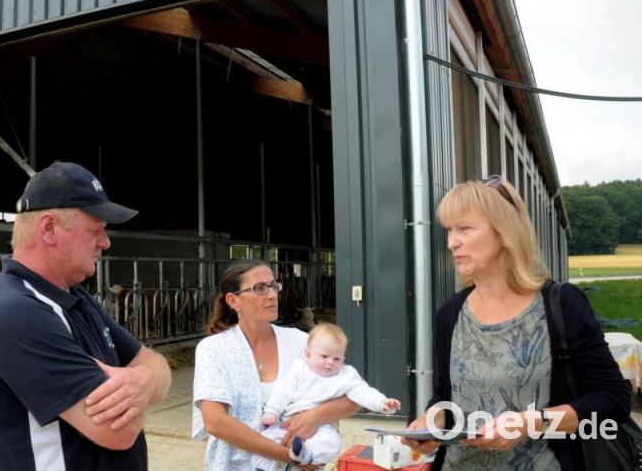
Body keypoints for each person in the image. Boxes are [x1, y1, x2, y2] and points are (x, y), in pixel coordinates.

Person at [402, 176, 630, 471]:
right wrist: (432, 420)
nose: (451, 242)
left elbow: (613, 399)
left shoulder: (561, 305)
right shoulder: (450, 313)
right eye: (449, 230)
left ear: (504, 231)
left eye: (465, 229)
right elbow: (444, 394)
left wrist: (532, 423)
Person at [0, 161, 172, 471]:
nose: (105, 242)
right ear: (48, 228)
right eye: (95, 230)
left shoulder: (76, 298)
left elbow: (157, 364)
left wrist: (142, 379)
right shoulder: (14, 313)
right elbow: (118, 431)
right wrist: (145, 387)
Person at [192, 260, 360, 471]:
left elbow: (353, 396)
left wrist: (315, 416)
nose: (272, 295)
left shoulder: (300, 343)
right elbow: (216, 421)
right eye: (260, 288)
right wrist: (293, 456)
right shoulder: (214, 349)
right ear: (233, 301)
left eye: (273, 286)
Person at [252, 323, 401, 470]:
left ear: (343, 359)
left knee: (331, 443)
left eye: (336, 359)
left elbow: (363, 391)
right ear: (308, 354)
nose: (330, 362)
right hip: (287, 421)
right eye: (324, 356)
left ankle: (305, 454)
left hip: (322, 427)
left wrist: (382, 403)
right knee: (267, 439)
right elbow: (283, 392)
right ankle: (261, 468)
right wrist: (272, 411)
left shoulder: (345, 375)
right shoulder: (299, 370)